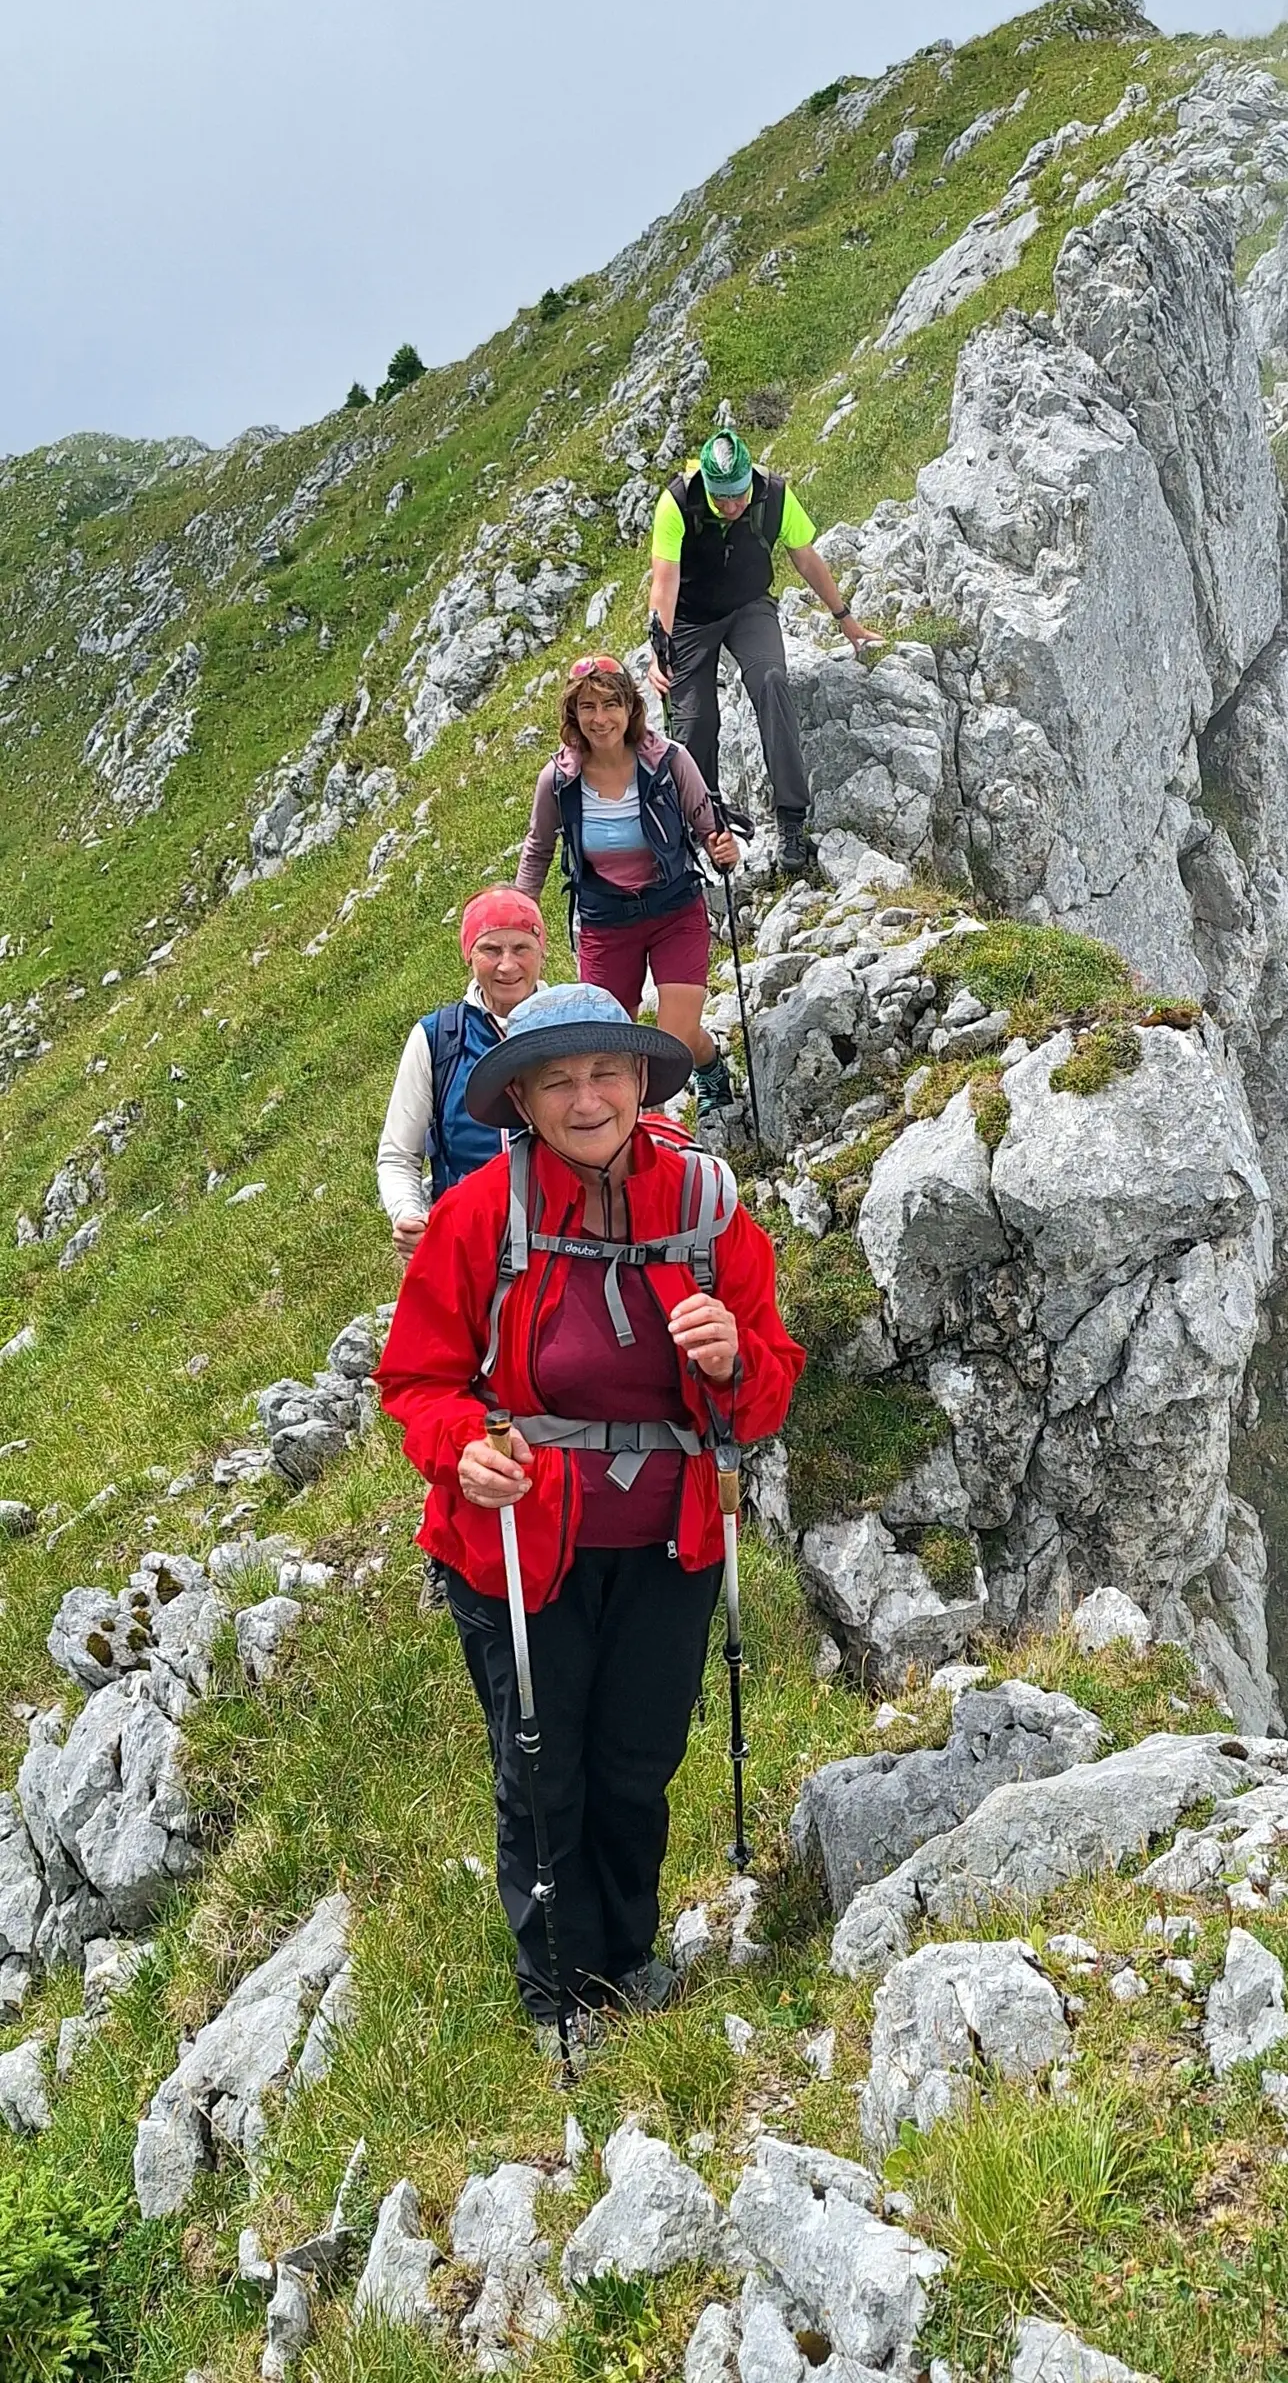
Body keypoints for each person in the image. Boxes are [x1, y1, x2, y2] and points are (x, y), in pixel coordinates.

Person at [376, 982, 803, 2050]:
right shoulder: (481, 1214)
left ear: (640, 1079)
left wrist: (736, 1357)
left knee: (635, 1760)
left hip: (672, 1545)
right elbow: (416, 1379)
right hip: (520, 1547)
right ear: (519, 1097)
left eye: (604, 1071)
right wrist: (462, 1446)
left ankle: (628, 1953)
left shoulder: (707, 1209)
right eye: (556, 1080)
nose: (584, 1098)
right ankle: (558, 1989)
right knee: (541, 1766)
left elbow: (772, 1383)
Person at [516, 654, 738, 1120]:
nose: (601, 719)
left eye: (611, 704)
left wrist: (723, 848)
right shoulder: (559, 780)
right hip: (606, 922)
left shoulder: (669, 761)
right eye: (588, 707)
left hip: (674, 910)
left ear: (630, 709)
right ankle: (648, 1130)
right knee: (611, 1046)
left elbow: (707, 824)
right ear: (573, 716)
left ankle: (710, 1065)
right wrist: (519, 916)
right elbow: (538, 850)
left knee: (673, 1042)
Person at [648, 428, 879, 873]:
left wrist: (844, 618)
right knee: (694, 723)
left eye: (738, 496)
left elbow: (806, 557)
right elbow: (665, 580)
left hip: (750, 606)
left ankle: (792, 820)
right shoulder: (677, 502)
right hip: (692, 620)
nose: (732, 507)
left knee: (771, 680)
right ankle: (707, 827)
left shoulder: (773, 494)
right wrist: (661, 649)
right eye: (722, 499)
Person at [376, 888, 547, 1260]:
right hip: (467, 1245)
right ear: (468, 954)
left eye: (521, 948)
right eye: (490, 950)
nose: (507, 965)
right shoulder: (438, 1038)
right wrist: (410, 1216)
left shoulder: (573, 1024)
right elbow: (398, 1154)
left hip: (565, 1240)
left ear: (541, 953)